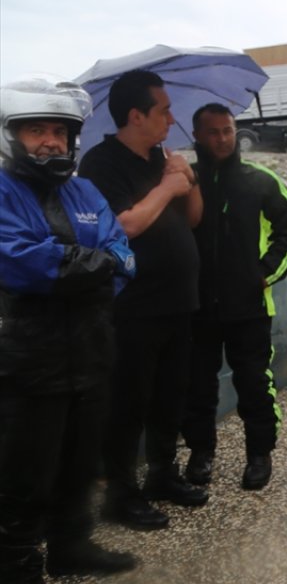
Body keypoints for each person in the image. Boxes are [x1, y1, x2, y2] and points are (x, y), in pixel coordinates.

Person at [0, 79, 138, 581]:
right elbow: (18, 262)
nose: (51, 141)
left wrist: (72, 268)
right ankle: (16, 562)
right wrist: (88, 265)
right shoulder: (3, 191)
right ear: (10, 136)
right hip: (26, 363)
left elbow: (123, 257)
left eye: (59, 131)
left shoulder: (84, 190)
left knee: (80, 466)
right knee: (24, 475)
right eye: (36, 130)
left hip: (91, 352)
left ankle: (70, 547)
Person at [78, 70, 209, 531]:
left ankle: (162, 475)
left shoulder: (161, 159)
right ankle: (121, 493)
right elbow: (123, 227)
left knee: (170, 397)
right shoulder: (101, 164)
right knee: (128, 402)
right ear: (136, 115)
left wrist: (186, 179)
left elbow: (192, 219)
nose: (172, 119)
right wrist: (166, 187)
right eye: (163, 110)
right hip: (134, 307)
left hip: (178, 302)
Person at [180, 103, 287, 491]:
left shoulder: (260, 180)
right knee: (197, 385)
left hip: (249, 307)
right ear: (197, 136)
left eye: (228, 130)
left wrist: (264, 274)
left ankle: (259, 454)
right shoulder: (186, 181)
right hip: (196, 307)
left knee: (254, 383)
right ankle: (201, 454)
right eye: (212, 132)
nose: (222, 138)